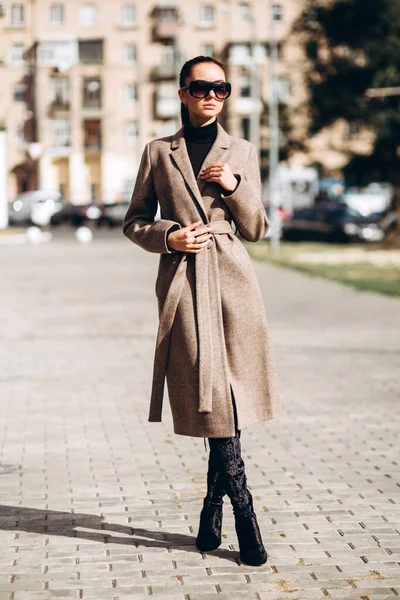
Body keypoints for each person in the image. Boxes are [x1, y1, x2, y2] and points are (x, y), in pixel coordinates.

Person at [123, 56, 280, 566]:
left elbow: (256, 228)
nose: (213, 95)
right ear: (183, 93)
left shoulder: (244, 151)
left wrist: (235, 188)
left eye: (221, 88)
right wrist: (169, 236)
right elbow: (134, 220)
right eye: (202, 87)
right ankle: (244, 515)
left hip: (234, 284)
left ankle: (214, 507)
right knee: (213, 400)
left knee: (229, 399)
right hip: (185, 284)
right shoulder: (158, 152)